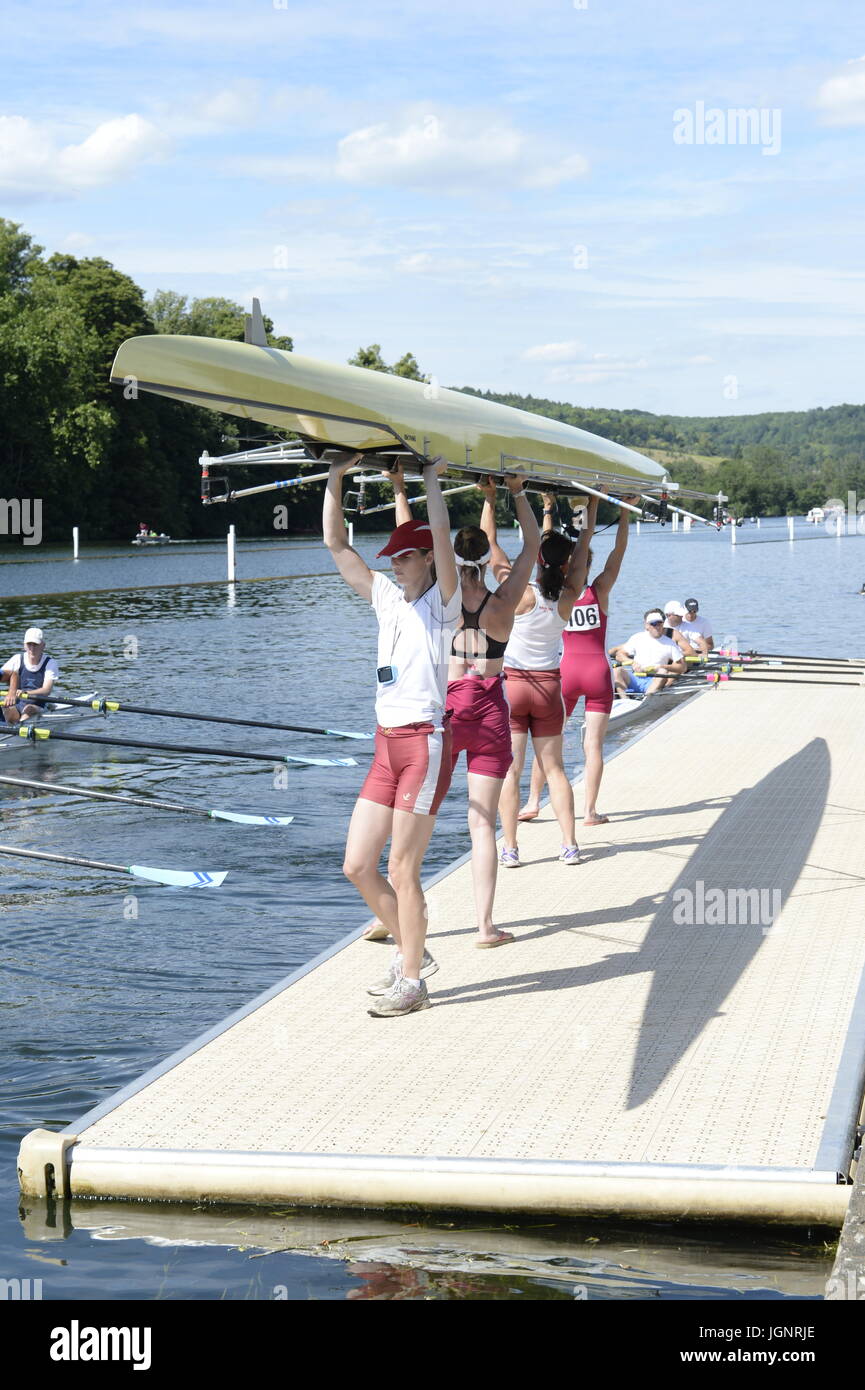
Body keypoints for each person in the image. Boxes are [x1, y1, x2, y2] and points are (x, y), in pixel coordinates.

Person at [323, 452, 460, 1017]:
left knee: (403, 868)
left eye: (405, 557)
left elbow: (446, 537)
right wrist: (335, 477)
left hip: (426, 743)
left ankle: (413, 983)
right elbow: (336, 545)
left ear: (427, 558)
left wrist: (429, 479)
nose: (396, 565)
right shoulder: (385, 597)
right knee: (357, 864)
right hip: (385, 744)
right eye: (393, 558)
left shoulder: (443, 604)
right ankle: (413, 952)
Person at [481, 487, 586, 869]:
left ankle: (509, 848)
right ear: (566, 563)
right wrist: (585, 509)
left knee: (511, 769)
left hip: (514, 686)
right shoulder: (569, 594)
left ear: (538, 560)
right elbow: (581, 544)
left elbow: (490, 542)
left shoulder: (518, 593)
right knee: (555, 769)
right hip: (549, 687)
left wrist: (491, 499)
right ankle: (569, 844)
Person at [520, 490, 640, 827]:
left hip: (566, 673)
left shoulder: (557, 592)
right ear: (588, 566)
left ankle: (532, 803)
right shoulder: (599, 588)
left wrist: (549, 508)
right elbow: (619, 551)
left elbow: (545, 546)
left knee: (547, 743)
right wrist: (624, 512)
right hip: (599, 673)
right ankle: (589, 812)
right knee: (594, 747)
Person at [611, 611, 687, 695]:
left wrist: (662, 667)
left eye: (659, 623)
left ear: (663, 624)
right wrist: (632, 663)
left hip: (654, 679)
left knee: (663, 671)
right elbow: (619, 655)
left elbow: (682, 667)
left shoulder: (670, 643)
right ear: (647, 626)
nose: (657, 626)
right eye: (653, 624)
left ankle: (647, 697)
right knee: (616, 671)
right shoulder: (637, 638)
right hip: (635, 677)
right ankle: (624, 699)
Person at [1, 628, 60, 725]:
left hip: (38, 703)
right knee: (6, 707)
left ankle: (20, 730)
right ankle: (13, 727)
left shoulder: (50, 663)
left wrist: (26, 692)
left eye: (35, 644)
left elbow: (46, 690)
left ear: (43, 646)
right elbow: (2, 675)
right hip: (18, 702)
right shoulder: (17, 659)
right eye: (29, 644)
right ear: (24, 645)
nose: (32, 649)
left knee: (28, 709)